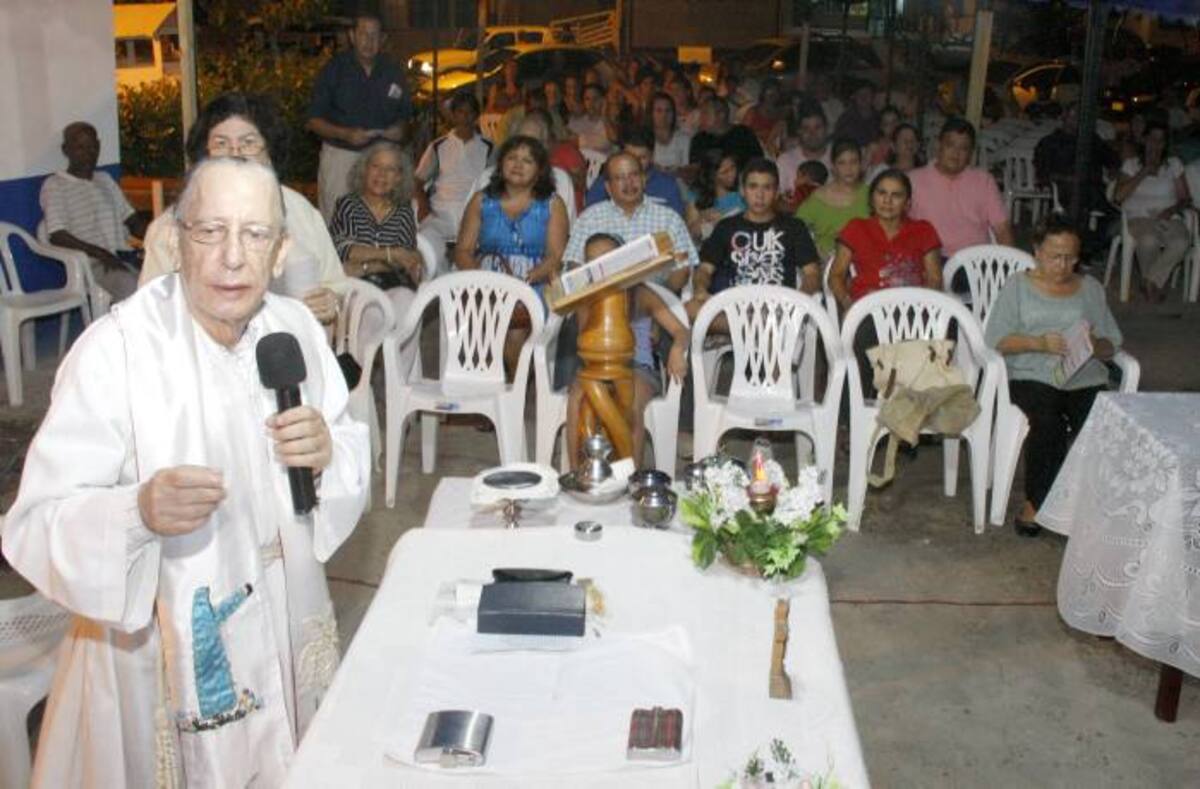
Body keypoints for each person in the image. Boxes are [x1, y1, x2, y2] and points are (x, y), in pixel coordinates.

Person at [2, 157, 369, 786]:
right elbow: (34, 523)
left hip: (283, 614)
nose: (233, 256)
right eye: (211, 231)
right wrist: (136, 512)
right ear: (174, 240)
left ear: (281, 252)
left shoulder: (296, 330)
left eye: (255, 235)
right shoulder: (116, 350)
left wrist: (329, 451)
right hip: (156, 648)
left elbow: (349, 443)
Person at [139, 92, 344, 327]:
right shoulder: (174, 226)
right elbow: (151, 308)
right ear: (203, 155)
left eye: (248, 143)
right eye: (221, 144)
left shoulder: (301, 211)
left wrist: (332, 301)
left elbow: (337, 284)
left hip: (290, 352)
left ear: (269, 152)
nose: (235, 154)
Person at [984, 214, 1122, 537]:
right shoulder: (1017, 286)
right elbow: (996, 340)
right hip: (1031, 372)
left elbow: (1111, 340)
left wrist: (1094, 344)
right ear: (1037, 251)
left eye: (1071, 258)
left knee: (1102, 419)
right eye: (1055, 256)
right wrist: (1038, 342)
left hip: (1083, 373)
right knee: (1048, 421)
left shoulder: (1089, 288)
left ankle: (1092, 504)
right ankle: (1039, 503)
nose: (1062, 265)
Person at [564, 233, 689, 468]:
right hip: (597, 365)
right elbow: (585, 341)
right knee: (576, 399)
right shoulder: (586, 299)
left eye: (608, 259)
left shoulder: (640, 294)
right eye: (593, 262)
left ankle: (631, 480)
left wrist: (677, 349)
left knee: (631, 404)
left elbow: (681, 331)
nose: (602, 268)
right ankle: (576, 473)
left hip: (637, 367)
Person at [455, 135, 568, 370]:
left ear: (539, 171)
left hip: (535, 282)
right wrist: (483, 280)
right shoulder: (481, 201)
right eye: (512, 158)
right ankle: (498, 381)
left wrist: (524, 281)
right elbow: (463, 250)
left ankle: (510, 388)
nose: (518, 164)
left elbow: (556, 256)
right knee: (485, 321)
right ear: (500, 165)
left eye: (527, 160)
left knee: (514, 331)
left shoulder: (552, 204)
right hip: (486, 280)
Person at [306, 12, 412, 221]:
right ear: (352, 36)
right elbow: (313, 120)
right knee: (338, 221)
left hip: (381, 157)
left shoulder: (393, 71)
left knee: (383, 220)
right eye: (363, 34)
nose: (369, 41)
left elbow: (406, 119)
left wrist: (401, 130)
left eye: (375, 35)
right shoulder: (334, 70)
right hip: (342, 155)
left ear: (382, 39)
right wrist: (345, 134)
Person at [690, 158, 821, 321]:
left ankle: (757, 333)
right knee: (690, 309)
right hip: (737, 313)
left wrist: (799, 300)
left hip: (780, 311)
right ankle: (751, 333)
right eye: (753, 187)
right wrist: (701, 290)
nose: (760, 195)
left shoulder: (794, 227)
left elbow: (812, 274)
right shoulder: (727, 226)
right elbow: (704, 269)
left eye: (767, 187)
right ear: (743, 191)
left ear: (776, 192)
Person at [40, 121, 145, 302]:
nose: (89, 154)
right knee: (132, 288)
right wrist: (100, 253)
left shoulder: (105, 180)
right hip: (90, 262)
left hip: (122, 255)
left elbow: (131, 219)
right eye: (80, 147)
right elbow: (57, 234)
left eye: (92, 147)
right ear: (66, 150)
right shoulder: (55, 185)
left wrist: (159, 239)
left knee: (164, 279)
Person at [566, 151, 698, 295]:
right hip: (602, 300)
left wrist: (662, 290)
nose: (629, 183)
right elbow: (574, 264)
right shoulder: (589, 218)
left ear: (643, 180)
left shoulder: (669, 219)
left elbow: (684, 267)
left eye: (634, 175)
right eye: (620, 178)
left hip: (656, 301)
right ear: (608, 188)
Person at [329, 141, 424, 324]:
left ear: (399, 178)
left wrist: (368, 264)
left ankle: (394, 351)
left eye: (390, 169)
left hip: (392, 285)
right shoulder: (348, 205)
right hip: (355, 288)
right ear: (364, 170)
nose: (381, 175)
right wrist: (391, 254)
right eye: (376, 166)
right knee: (365, 309)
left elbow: (407, 260)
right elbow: (343, 250)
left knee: (407, 304)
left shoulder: (403, 211)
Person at [828, 168, 943, 312]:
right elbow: (836, 276)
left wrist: (923, 308)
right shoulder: (856, 227)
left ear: (907, 203)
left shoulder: (923, 230)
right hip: (867, 309)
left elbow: (935, 279)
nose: (887, 201)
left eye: (896, 195)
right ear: (871, 198)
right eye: (881, 193)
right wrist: (850, 307)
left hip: (913, 309)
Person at [909, 117, 1014, 258]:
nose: (956, 153)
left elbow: (1002, 229)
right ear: (939, 145)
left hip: (974, 260)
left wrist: (1009, 266)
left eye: (963, 148)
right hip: (929, 259)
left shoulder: (983, 181)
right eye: (950, 145)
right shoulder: (914, 180)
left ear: (970, 153)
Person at [1111, 120, 1192, 302]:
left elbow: (1185, 198)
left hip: (1167, 216)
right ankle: (1153, 286)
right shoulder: (1131, 164)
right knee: (1149, 240)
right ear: (1144, 140)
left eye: (1161, 140)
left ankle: (1149, 280)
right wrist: (1144, 171)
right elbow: (1118, 197)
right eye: (1152, 139)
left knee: (1181, 241)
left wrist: (1172, 210)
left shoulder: (1173, 164)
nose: (1156, 144)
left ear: (1165, 144)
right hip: (1139, 216)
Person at [414, 92, 494, 273]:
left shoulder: (489, 147)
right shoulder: (438, 145)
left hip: (476, 214)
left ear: (476, 116)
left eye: (470, 113)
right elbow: (417, 181)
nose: (465, 117)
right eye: (460, 112)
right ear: (453, 115)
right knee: (427, 247)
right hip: (441, 213)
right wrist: (424, 209)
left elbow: (496, 183)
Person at [795, 137, 870, 260]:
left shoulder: (871, 194)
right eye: (842, 163)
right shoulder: (817, 198)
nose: (849, 168)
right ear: (833, 167)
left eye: (854, 162)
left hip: (863, 262)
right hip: (825, 265)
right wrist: (813, 252)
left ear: (861, 165)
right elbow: (795, 230)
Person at [585, 127, 687, 217]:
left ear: (652, 157)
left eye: (642, 158)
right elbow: (590, 215)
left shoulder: (667, 185)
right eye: (630, 156)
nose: (635, 163)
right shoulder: (607, 181)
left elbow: (675, 220)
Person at [688, 96, 764, 171]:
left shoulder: (743, 135)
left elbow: (757, 164)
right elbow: (695, 170)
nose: (701, 118)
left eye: (705, 113)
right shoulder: (699, 139)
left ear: (721, 115)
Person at [686, 149, 746, 241]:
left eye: (733, 167)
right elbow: (690, 235)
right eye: (724, 172)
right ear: (712, 175)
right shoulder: (697, 194)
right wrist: (702, 219)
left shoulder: (743, 190)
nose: (731, 174)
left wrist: (724, 222)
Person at [776, 105, 832, 196]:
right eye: (806, 128)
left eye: (817, 128)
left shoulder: (840, 159)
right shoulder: (785, 161)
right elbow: (776, 199)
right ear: (799, 131)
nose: (812, 134)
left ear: (826, 129)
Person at [741, 78, 787, 157]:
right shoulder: (752, 112)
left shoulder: (782, 114)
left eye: (776, 91)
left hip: (773, 153)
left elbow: (784, 141)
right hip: (754, 151)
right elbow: (742, 135)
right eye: (769, 90)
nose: (772, 94)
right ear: (763, 93)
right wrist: (761, 134)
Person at [569, 83, 618, 154]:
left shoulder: (610, 122)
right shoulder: (577, 122)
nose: (591, 103)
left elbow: (614, 139)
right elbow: (571, 148)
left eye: (595, 98)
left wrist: (604, 116)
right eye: (587, 99)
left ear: (602, 100)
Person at [651, 92, 691, 176]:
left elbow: (687, 169)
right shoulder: (645, 138)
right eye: (659, 111)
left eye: (668, 110)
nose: (664, 115)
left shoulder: (684, 139)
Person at [834, 81, 881, 148]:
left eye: (867, 94)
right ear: (854, 97)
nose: (863, 97)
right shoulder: (845, 119)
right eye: (859, 94)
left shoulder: (879, 118)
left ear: (873, 96)